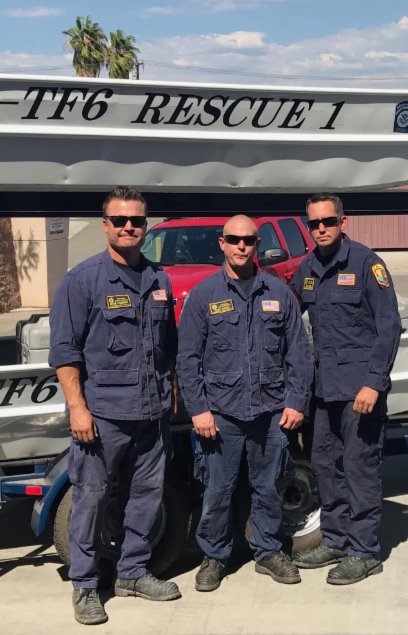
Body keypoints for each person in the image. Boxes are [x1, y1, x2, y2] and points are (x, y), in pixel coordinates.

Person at [49, 186, 181, 626]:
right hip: (104, 415)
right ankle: (85, 585)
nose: (129, 227)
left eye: (137, 221)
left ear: (146, 226)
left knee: (147, 495)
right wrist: (77, 408)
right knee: (91, 499)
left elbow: (167, 345)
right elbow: (65, 352)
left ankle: (132, 572)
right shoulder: (82, 280)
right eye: (120, 220)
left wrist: (172, 387)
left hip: (152, 412)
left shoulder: (159, 279)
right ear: (105, 225)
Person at [176, 215, 314, 592]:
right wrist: (198, 409)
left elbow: (299, 353)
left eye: (249, 240)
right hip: (221, 414)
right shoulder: (204, 295)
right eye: (234, 240)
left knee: (268, 487)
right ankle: (214, 556)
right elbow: (187, 359)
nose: (241, 246)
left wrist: (296, 402)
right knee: (217, 491)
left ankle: (268, 551)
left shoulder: (278, 293)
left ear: (257, 245)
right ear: (222, 243)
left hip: (270, 412)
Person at [289, 193, 401, 585]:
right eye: (314, 223)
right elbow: (290, 311)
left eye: (328, 221)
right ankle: (335, 539)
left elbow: (389, 326)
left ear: (343, 222)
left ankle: (365, 551)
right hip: (324, 393)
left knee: (359, 468)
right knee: (325, 466)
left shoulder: (367, 264)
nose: (321, 229)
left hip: (359, 394)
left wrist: (374, 383)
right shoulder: (307, 268)